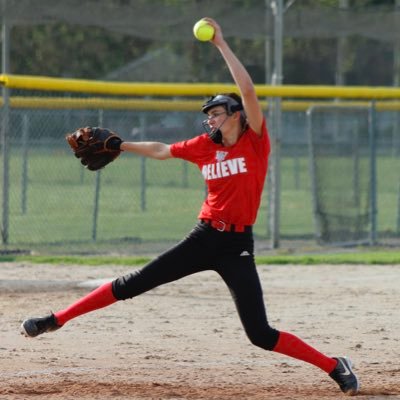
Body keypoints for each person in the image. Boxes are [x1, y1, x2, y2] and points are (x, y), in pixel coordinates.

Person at [21, 17, 359, 396]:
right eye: (208, 115)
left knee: (260, 334)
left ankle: (334, 365)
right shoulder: (204, 145)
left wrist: (220, 43)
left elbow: (247, 89)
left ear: (235, 115)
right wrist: (119, 145)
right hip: (204, 236)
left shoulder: (256, 141)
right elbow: (163, 150)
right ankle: (56, 319)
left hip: (237, 247)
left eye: (216, 112)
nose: (210, 118)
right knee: (132, 283)